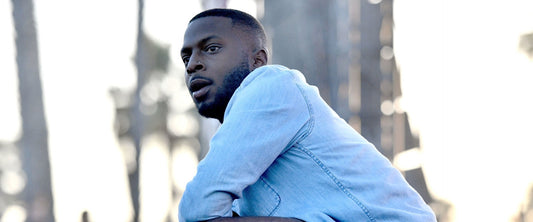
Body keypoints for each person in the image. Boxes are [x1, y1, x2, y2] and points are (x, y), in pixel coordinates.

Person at [178, 8, 436, 222]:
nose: (192, 65)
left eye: (211, 48)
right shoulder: (244, 149)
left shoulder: (270, 84)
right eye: (186, 57)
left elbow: (197, 210)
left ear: (258, 61)